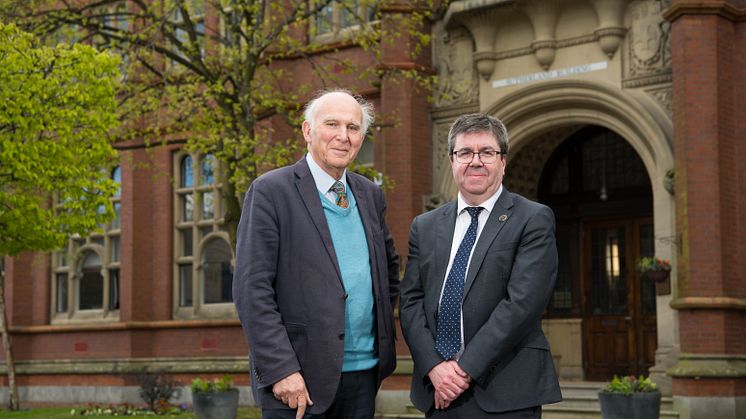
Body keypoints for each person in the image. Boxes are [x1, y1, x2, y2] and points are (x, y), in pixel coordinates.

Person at [233, 90, 400, 419]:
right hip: (297, 381)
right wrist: (281, 369)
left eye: (353, 128)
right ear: (308, 131)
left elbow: (388, 271)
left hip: (363, 374)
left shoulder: (370, 194)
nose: (343, 136)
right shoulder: (271, 191)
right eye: (332, 124)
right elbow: (252, 289)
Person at [399, 113, 562, 418]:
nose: (476, 161)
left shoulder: (532, 219)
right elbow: (410, 302)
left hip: (505, 389)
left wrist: (461, 371)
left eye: (487, 152)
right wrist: (434, 366)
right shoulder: (425, 225)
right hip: (437, 391)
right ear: (452, 160)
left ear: (503, 161)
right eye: (465, 152)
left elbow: (522, 304)